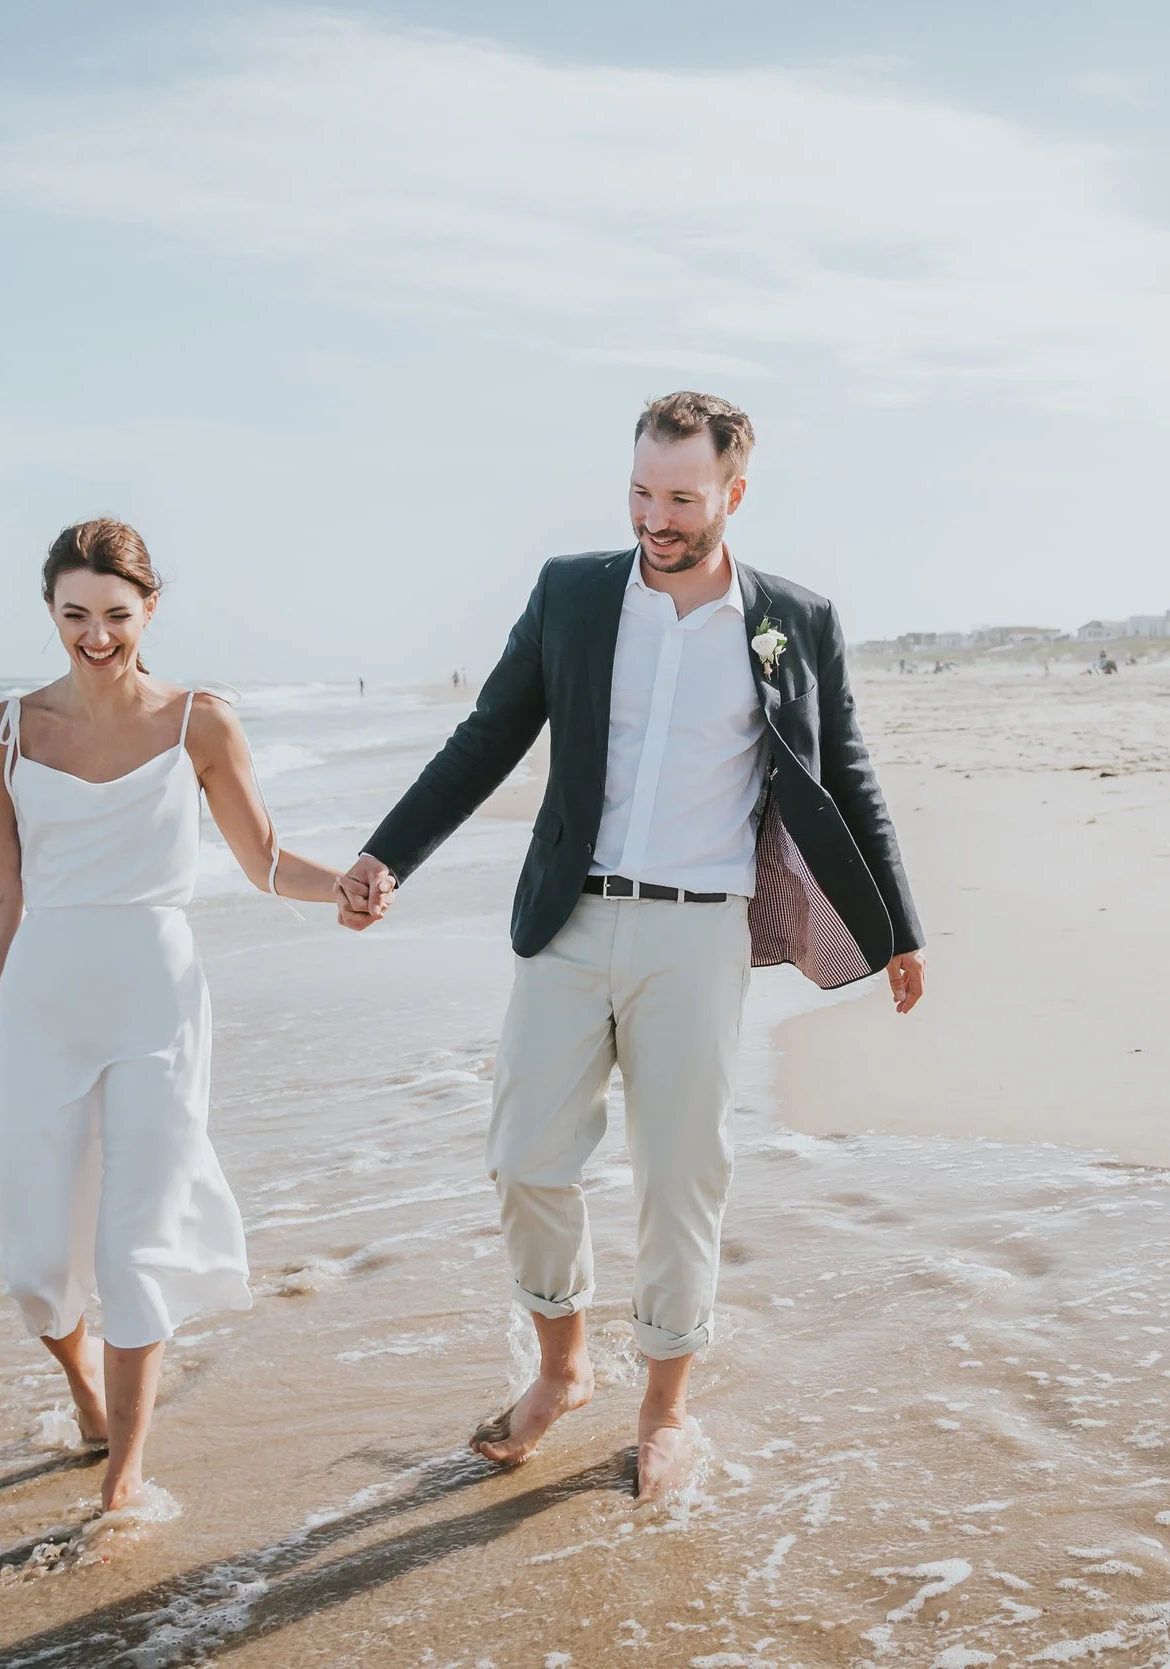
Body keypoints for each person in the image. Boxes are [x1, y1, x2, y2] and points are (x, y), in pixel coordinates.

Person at [332, 392, 929, 1503]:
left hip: (699, 934)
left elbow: (845, 775)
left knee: (680, 1178)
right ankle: (561, 1367)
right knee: (525, 1159)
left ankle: (663, 1409)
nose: (657, 517)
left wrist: (898, 928)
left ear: (732, 495)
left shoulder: (793, 620)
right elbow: (487, 736)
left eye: (682, 498)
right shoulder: (572, 592)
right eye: (642, 492)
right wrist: (387, 856)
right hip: (570, 920)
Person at [0, 517, 349, 1514]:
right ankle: (86, 1389)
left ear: (150, 609)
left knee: (136, 1245)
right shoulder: (4, 731)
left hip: (157, 999)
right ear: (49, 610)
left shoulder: (198, 722)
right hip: (44, 1001)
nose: (96, 634)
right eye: (75, 614)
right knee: (38, 1265)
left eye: (116, 615)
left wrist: (344, 884)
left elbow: (262, 860)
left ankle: (125, 1474)